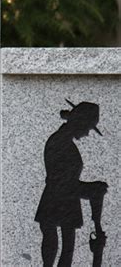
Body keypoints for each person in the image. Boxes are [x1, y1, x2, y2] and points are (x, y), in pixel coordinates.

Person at [35, 100, 108, 267]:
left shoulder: (63, 142)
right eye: (88, 128)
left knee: (66, 247)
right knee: (56, 244)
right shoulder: (59, 143)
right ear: (80, 122)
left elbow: (67, 182)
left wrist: (91, 189)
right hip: (57, 199)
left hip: (64, 200)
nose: (88, 133)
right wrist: (91, 189)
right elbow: (63, 183)